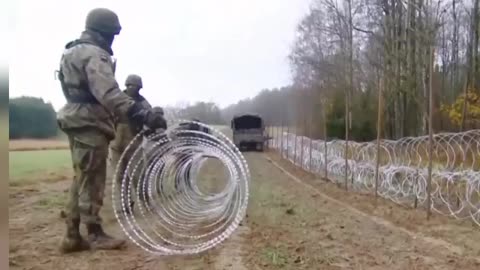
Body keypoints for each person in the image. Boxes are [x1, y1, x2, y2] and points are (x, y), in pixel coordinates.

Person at [56, 8, 167, 253]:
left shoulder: (72, 50)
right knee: (93, 178)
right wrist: (142, 113)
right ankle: (94, 233)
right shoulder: (95, 54)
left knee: (81, 176)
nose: (112, 40)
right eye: (112, 34)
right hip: (90, 121)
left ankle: (72, 236)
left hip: (75, 118)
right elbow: (107, 92)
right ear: (104, 32)